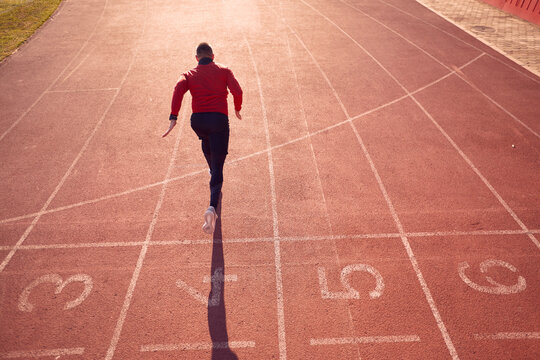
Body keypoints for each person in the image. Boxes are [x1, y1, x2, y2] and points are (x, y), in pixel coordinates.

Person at [163, 42, 243, 234]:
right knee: (218, 168)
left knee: (206, 142)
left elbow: (178, 89)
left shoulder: (189, 74)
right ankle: (212, 208)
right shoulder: (224, 71)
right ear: (213, 56)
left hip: (198, 121)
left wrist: (173, 116)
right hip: (218, 120)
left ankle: (211, 168)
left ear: (197, 59)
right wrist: (237, 108)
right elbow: (238, 91)